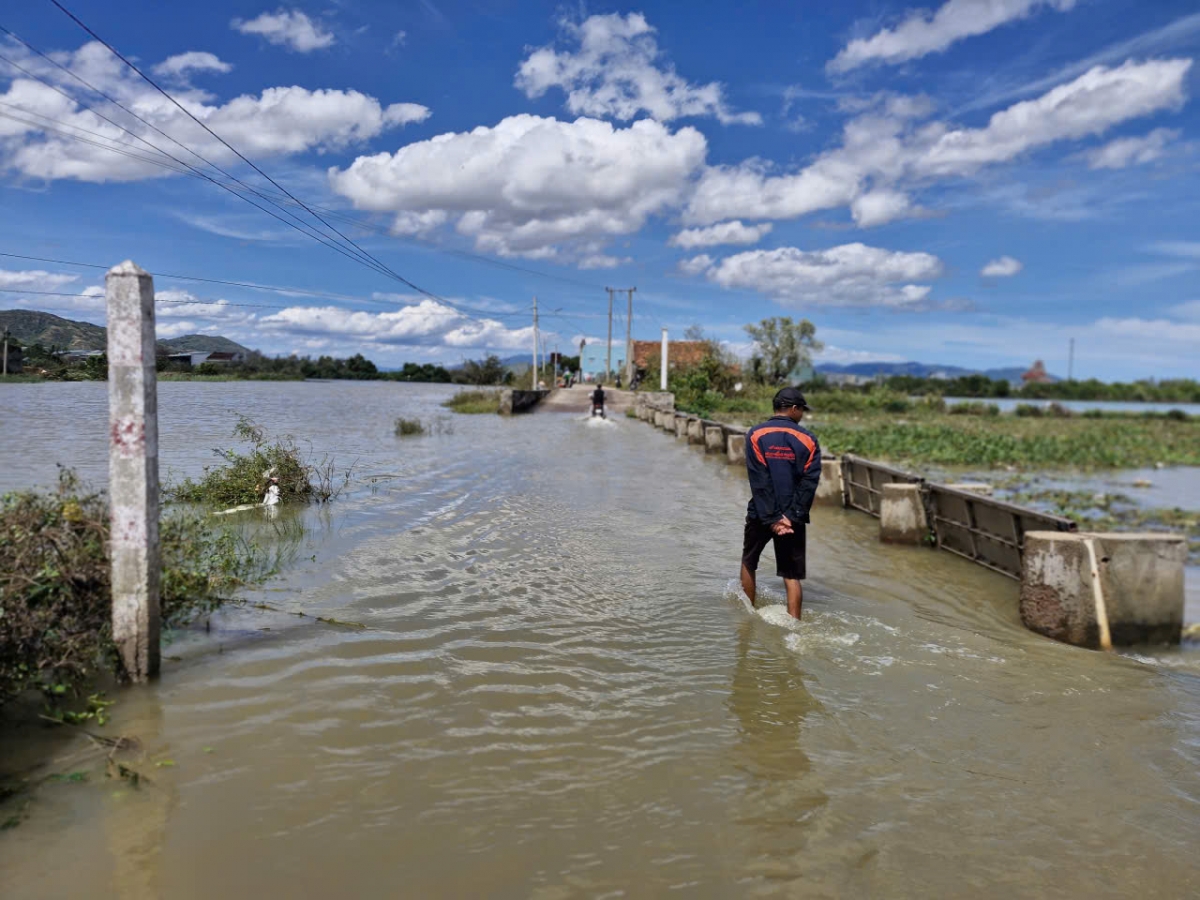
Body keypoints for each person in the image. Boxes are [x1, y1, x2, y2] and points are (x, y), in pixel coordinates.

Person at [741, 387, 821, 620]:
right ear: (794, 409)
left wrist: (771, 517)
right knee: (791, 574)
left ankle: (747, 617)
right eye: (802, 410)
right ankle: (794, 625)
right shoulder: (808, 439)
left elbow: (759, 479)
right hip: (791, 517)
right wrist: (790, 516)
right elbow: (810, 481)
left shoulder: (755, 434)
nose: (803, 415)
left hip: (760, 512)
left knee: (749, 562)